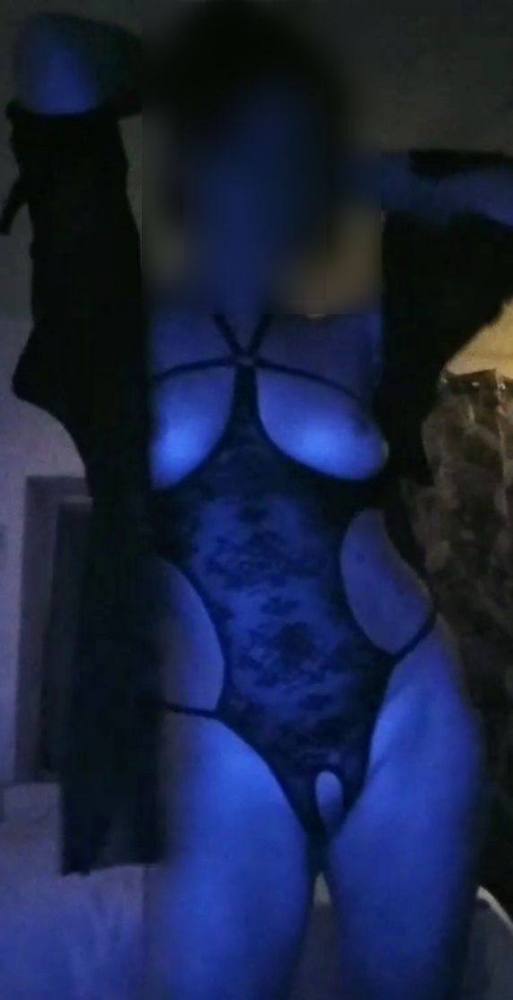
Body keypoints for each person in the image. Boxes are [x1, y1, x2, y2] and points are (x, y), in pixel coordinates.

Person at [4, 4, 512, 998]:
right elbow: (52, 51)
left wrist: (343, 168)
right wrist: (193, 97)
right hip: (218, 742)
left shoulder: (360, 336)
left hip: (409, 714)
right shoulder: (107, 327)